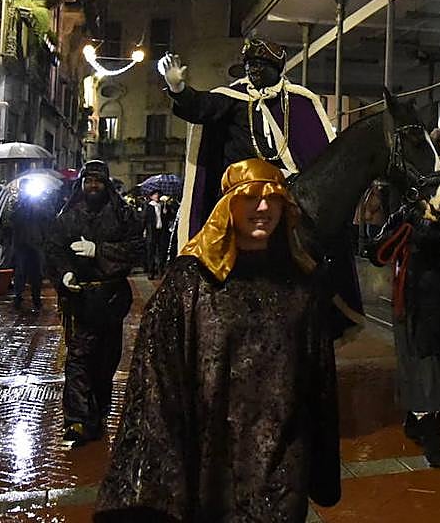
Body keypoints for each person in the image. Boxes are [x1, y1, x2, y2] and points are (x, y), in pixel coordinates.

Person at [96, 160, 339, 522]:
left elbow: (320, 381)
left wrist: (321, 469)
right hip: (209, 467)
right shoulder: (190, 282)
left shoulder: (303, 283)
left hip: (283, 467)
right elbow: (156, 382)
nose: (263, 209)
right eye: (251, 198)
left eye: (273, 199)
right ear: (228, 206)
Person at [158, 38, 335, 250]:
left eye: (260, 64)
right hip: (240, 190)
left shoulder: (299, 102)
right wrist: (177, 88)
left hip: (285, 190)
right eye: (250, 64)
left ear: (276, 68)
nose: (253, 69)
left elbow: (323, 157)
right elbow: (200, 106)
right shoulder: (232, 97)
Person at [368, 185, 440, 468]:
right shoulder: (404, 216)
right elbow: (376, 251)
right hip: (412, 305)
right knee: (426, 366)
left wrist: (424, 225)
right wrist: (402, 226)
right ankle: (432, 434)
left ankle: (415, 417)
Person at [46, 160, 142, 445]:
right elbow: (53, 248)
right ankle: (76, 421)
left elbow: (136, 249)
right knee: (78, 359)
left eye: (99, 181)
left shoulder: (123, 215)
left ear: (106, 183)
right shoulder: (68, 215)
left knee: (106, 360)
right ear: (82, 183)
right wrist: (64, 274)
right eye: (89, 181)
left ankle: (98, 412)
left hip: (111, 300)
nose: (93, 186)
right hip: (81, 300)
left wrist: (99, 251)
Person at [141, 191, 169, 277]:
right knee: (151, 252)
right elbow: (144, 219)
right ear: (151, 196)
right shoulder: (148, 206)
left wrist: (166, 212)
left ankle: (160, 270)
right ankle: (151, 271)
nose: (157, 196)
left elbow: (167, 219)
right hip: (151, 231)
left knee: (161, 251)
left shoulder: (162, 206)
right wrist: (143, 230)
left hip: (160, 232)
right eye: (155, 195)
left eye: (158, 194)